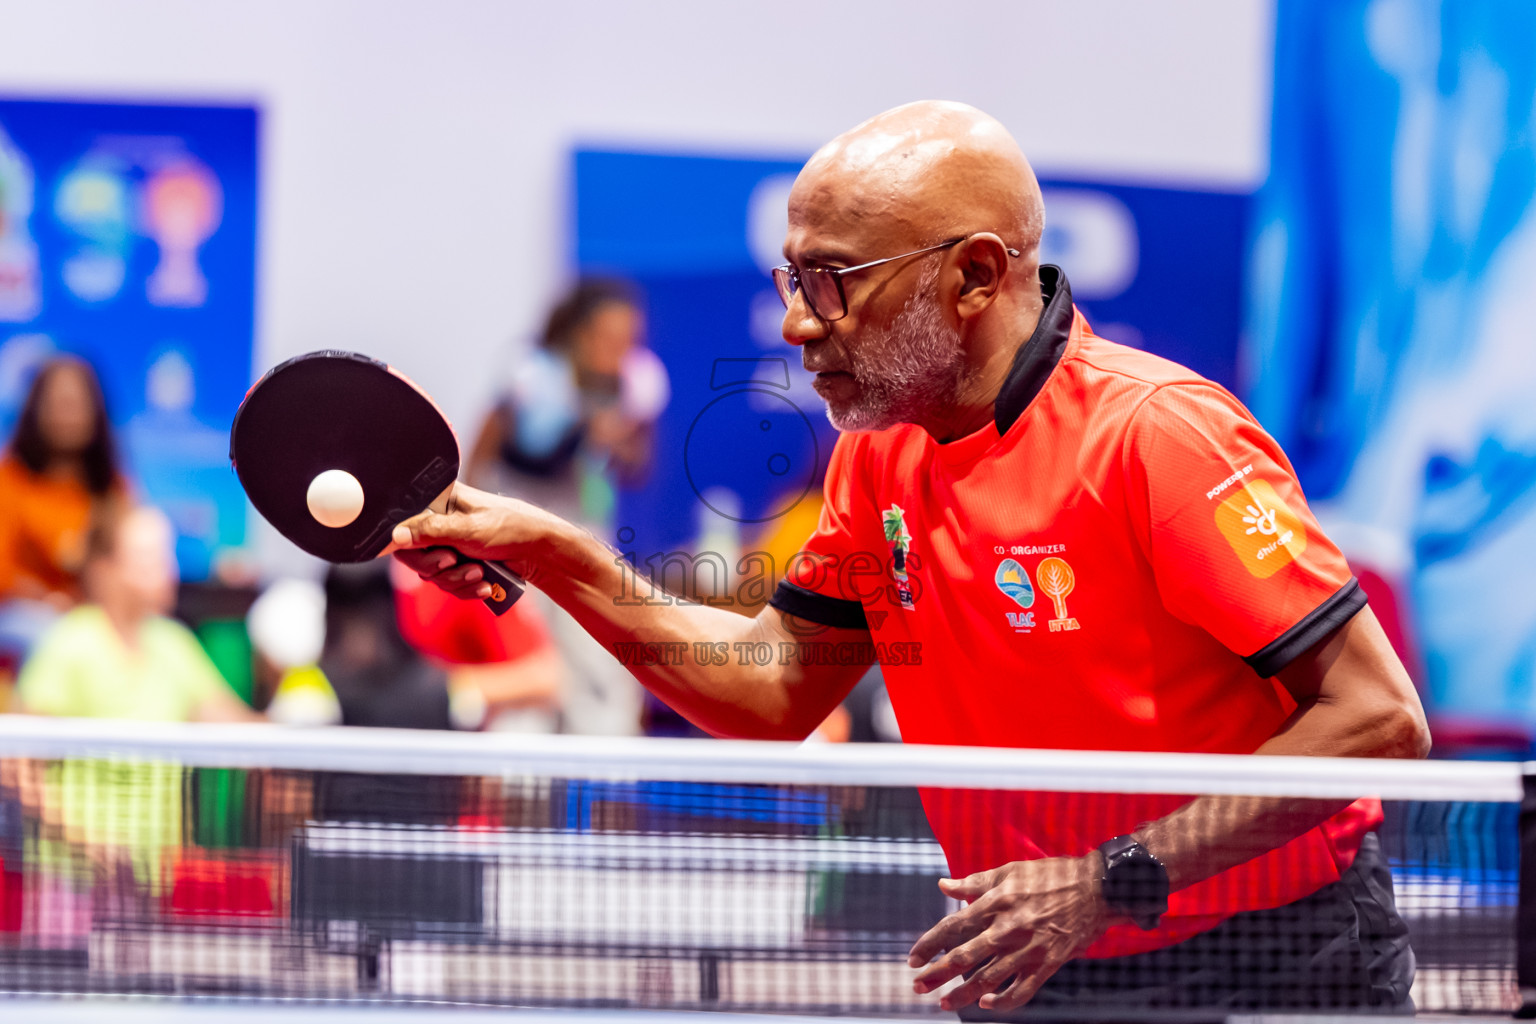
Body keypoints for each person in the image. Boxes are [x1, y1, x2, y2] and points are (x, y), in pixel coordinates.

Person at [390, 102, 1429, 1016]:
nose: (799, 323)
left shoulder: (1159, 436)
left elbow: (1379, 719)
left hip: (1274, 957)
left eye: (834, 282)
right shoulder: (879, 455)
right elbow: (775, 689)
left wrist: (1109, 879)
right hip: (1035, 955)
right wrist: (561, 555)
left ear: (975, 274)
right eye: (792, 279)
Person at [466, 278, 669, 736]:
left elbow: (638, 467)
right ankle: (517, 762)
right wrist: (466, 521)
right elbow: (483, 449)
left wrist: (619, 436)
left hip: (581, 523)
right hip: (511, 516)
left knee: (597, 643)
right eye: (606, 337)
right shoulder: (531, 374)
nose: (617, 349)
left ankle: (607, 766)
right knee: (523, 638)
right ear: (578, 333)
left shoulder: (638, 383)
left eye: (627, 339)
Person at [17, 503, 256, 723]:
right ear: (104, 570)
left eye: (167, 556)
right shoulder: (69, 641)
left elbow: (229, 721)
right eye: (148, 559)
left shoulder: (173, 641)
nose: (168, 570)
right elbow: (25, 750)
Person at [0, 356, 127, 663]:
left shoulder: (112, 488)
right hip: (22, 616)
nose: (68, 415)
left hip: (93, 615)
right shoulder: (11, 479)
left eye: (77, 404)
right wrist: (45, 599)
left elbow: (123, 565)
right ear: (36, 409)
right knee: (58, 638)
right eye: (58, 403)